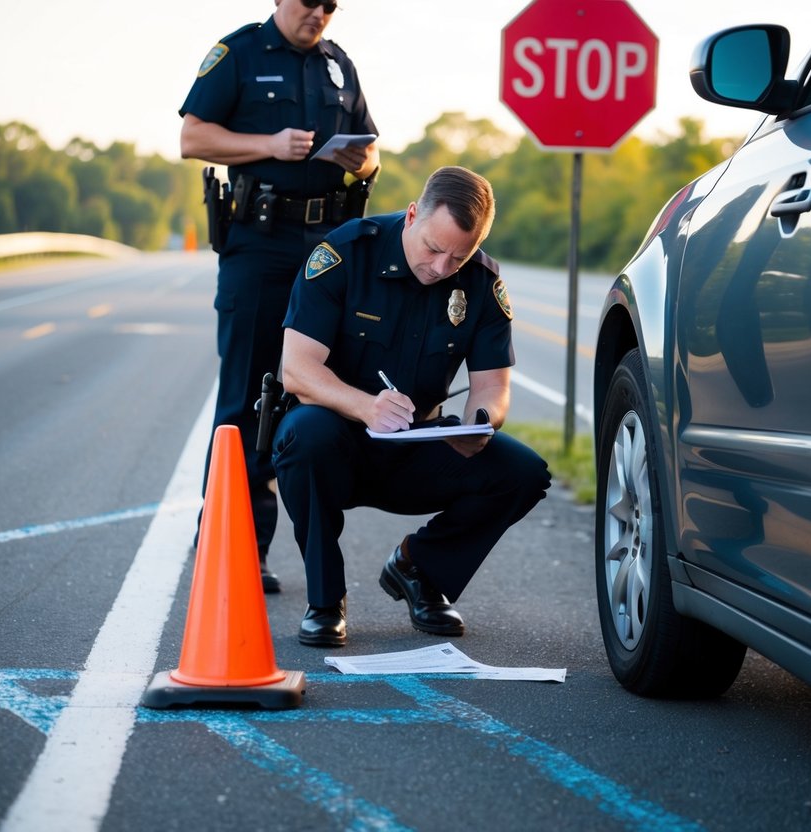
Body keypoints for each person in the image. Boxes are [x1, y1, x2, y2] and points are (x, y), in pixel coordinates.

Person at [271, 166, 552, 647]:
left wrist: (480, 424)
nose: (441, 268)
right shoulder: (345, 253)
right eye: (434, 248)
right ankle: (325, 600)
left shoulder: (482, 282)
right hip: (336, 441)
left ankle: (419, 570)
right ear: (411, 215)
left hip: (415, 443)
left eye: (457, 258)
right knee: (305, 435)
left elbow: (492, 386)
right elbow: (296, 370)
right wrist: (366, 407)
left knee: (523, 473)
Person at [179, 0, 380, 593]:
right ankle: (233, 546)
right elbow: (192, 137)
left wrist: (361, 160)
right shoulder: (238, 53)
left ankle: (313, 562)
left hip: (326, 251)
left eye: (331, 4)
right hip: (260, 245)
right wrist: (270, 144)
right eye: (308, 0)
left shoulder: (339, 66)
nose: (318, 12)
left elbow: (374, 152)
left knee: (311, 398)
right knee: (245, 402)